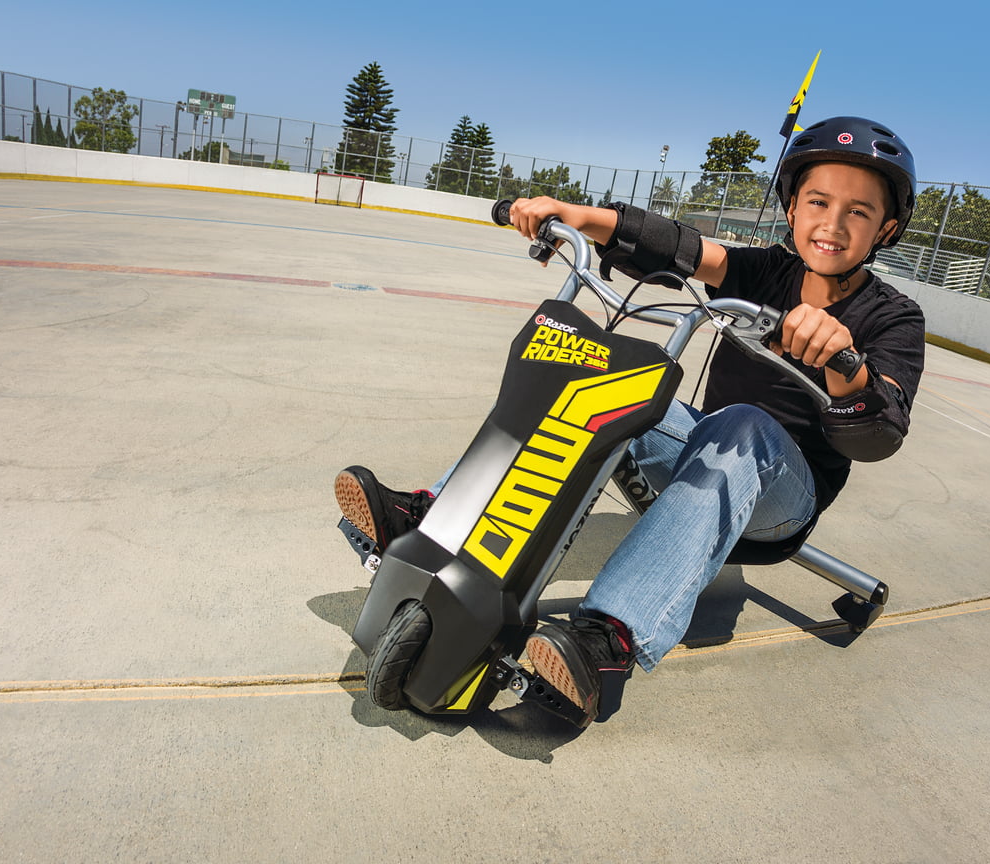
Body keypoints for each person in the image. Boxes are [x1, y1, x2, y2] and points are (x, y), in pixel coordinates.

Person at [336, 117, 926, 727]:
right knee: (608, 382)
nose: (832, 223)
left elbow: (881, 429)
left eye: (858, 211)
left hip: (782, 500)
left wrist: (842, 364)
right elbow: (682, 247)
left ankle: (606, 642)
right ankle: (431, 511)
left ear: (885, 226)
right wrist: (577, 215)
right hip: (700, 450)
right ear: (792, 206)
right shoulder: (769, 271)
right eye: (818, 202)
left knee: (744, 423)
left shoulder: (893, 317)